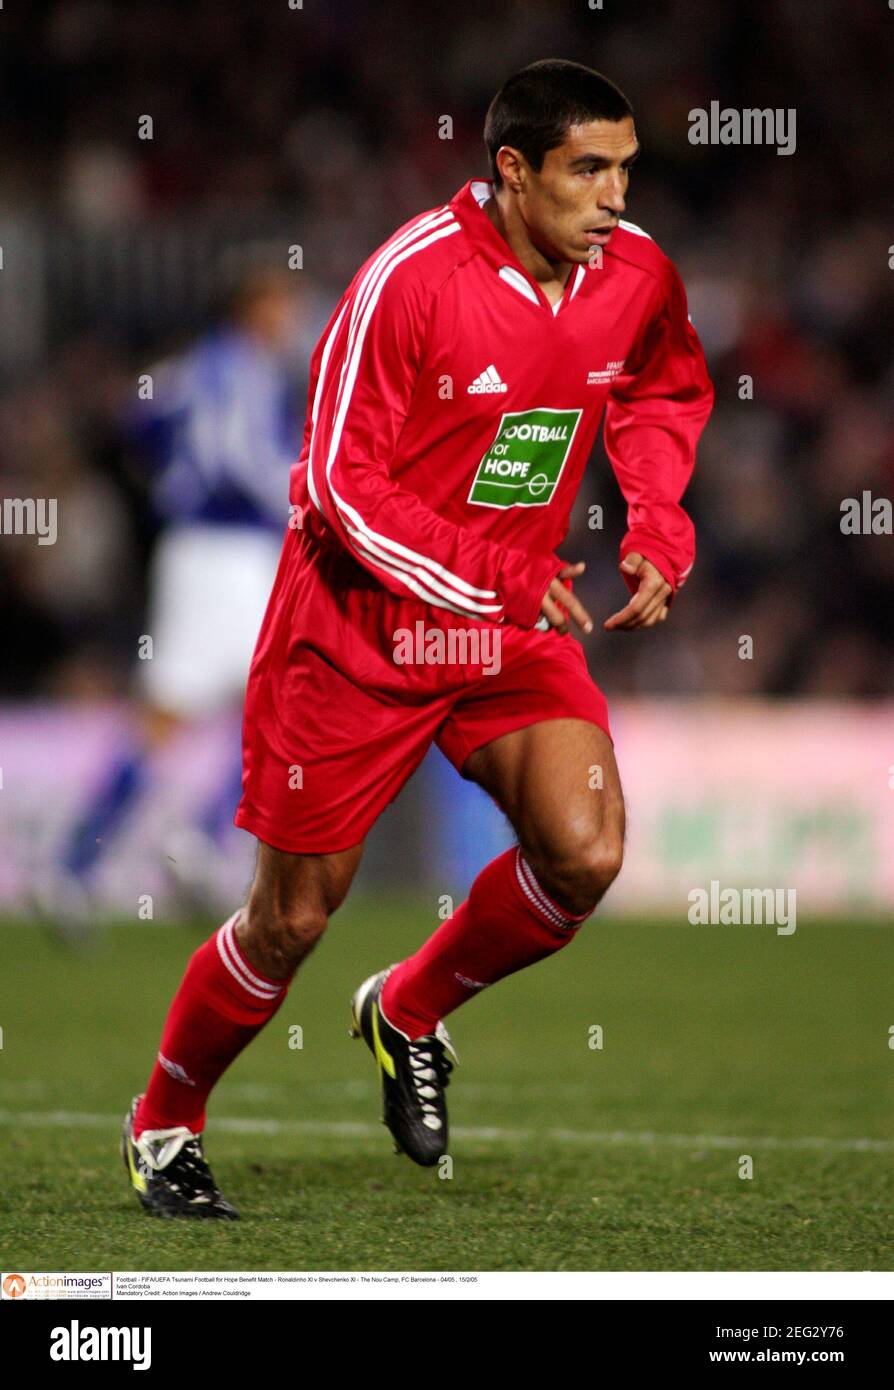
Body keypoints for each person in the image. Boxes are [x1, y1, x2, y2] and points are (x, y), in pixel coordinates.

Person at [121, 60, 713, 1219]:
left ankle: (407, 1008)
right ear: (512, 170)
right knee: (289, 918)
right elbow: (339, 485)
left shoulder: (633, 273)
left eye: (625, 170)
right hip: (359, 629)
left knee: (585, 851)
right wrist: (498, 572)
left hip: (507, 625)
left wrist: (657, 519)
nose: (615, 197)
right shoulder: (407, 281)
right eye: (588, 170)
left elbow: (658, 389)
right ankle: (163, 1124)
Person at [53, 266, 304, 930]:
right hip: (235, 553)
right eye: (279, 303)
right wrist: (309, 503)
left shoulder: (182, 372)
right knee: (282, 704)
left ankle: (73, 868)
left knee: (171, 716)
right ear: (251, 308)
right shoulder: (245, 372)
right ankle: (200, 840)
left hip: (189, 551)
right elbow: (243, 458)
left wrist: (164, 490)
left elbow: (131, 424)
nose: (287, 317)